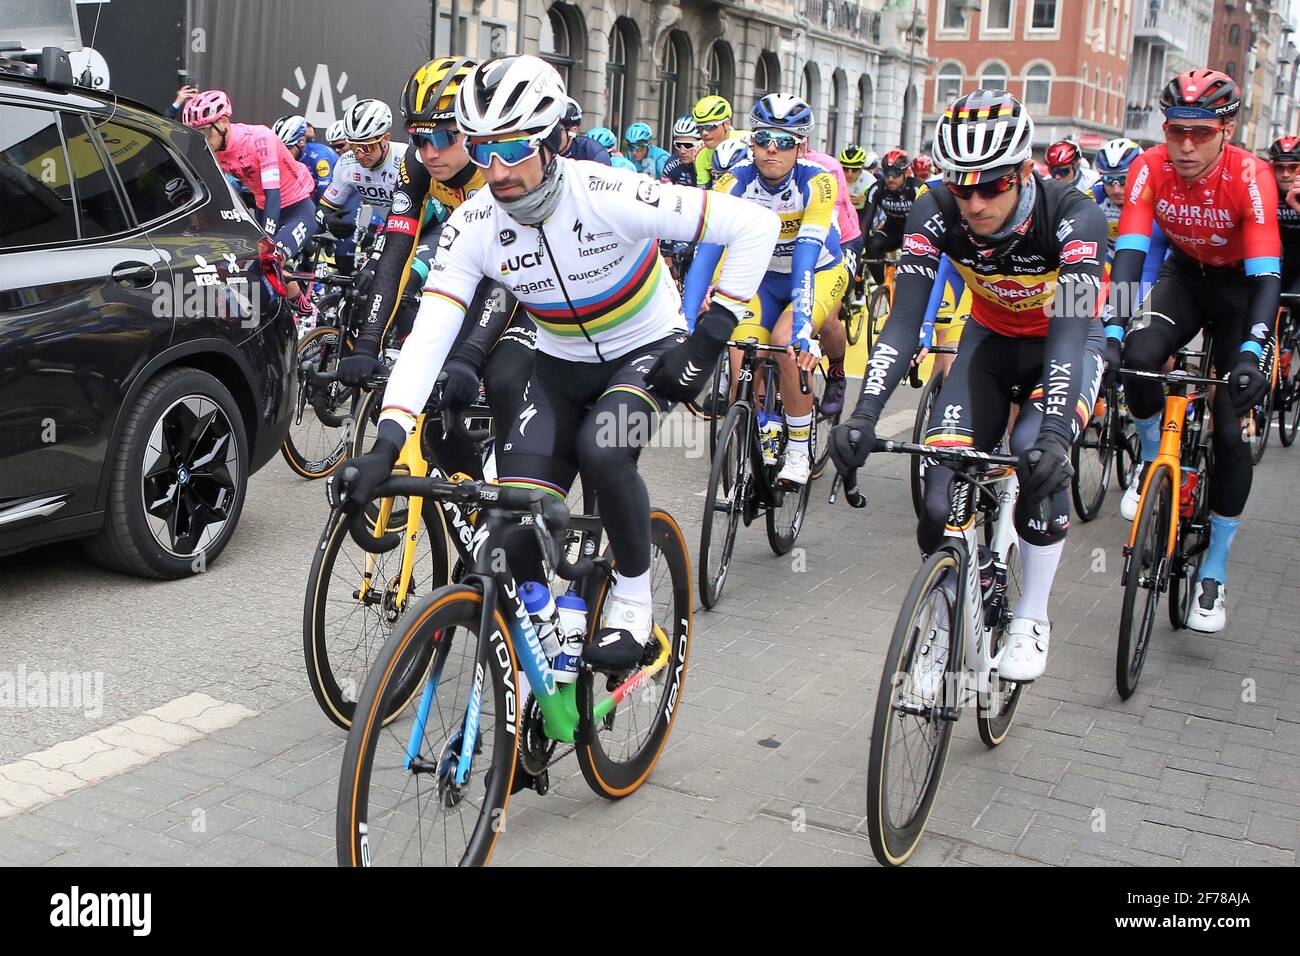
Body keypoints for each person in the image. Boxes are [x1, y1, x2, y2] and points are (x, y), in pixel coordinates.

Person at [342, 55, 779, 672]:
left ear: (549, 141)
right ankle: (548, 618)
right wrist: (387, 443)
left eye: (515, 148)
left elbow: (754, 224)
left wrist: (708, 340)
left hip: (645, 351)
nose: (497, 171)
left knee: (603, 450)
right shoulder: (475, 225)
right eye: (485, 149)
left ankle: (632, 596)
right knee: (509, 512)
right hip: (559, 362)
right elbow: (429, 335)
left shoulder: (609, 193)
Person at [830, 89, 1109, 683]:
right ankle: (949, 610)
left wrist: (1058, 434)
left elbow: (1069, 331)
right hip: (990, 341)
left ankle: (1033, 617)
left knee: (1039, 462)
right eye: (962, 187)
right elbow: (903, 322)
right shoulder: (933, 208)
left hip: (1067, 343)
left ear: (1024, 171)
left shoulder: (1076, 214)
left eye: (992, 187)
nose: (975, 203)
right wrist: (864, 414)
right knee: (937, 500)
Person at [1108, 69, 1279, 633]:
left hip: (1239, 293)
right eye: (1176, 131)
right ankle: (1157, 462)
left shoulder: (1252, 176)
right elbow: (1130, 258)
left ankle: (1215, 570)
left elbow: (1265, 279)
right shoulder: (1149, 167)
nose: (1185, 146)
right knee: (1136, 356)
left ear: (1225, 130)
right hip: (1184, 277)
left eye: (1200, 134)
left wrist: (1253, 352)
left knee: (1232, 431)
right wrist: (1110, 327)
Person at [335, 56, 531, 481]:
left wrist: (470, 354)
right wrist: (369, 342)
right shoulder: (417, 167)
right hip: (471, 270)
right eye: (419, 139)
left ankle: (524, 494)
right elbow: (396, 254)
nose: (430, 152)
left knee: (505, 379)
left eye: (444, 136)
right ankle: (474, 508)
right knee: (432, 405)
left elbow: (511, 273)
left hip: (530, 284)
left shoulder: (501, 167)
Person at [683, 93, 849, 487]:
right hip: (762, 278)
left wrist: (803, 324)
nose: (772, 148)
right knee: (742, 351)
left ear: (801, 146)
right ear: (751, 141)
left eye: (785, 140)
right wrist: (686, 326)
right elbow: (706, 252)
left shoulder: (818, 183)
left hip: (817, 272)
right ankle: (760, 429)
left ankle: (797, 449)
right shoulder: (733, 182)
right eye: (763, 139)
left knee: (787, 343)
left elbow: (806, 255)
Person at [181, 89, 319, 327]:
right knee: (253, 267)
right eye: (196, 133)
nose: (201, 138)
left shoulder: (258, 138)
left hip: (296, 206)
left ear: (223, 122)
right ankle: (301, 309)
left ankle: (299, 318)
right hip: (264, 206)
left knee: (267, 262)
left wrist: (266, 243)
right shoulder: (213, 147)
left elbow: (273, 194)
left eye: (204, 131)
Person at [861, 148, 918, 284]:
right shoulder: (878, 188)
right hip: (892, 230)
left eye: (896, 174)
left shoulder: (916, 188)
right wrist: (858, 248)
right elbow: (866, 222)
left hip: (914, 232)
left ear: (905, 173)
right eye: (887, 174)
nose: (890, 179)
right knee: (872, 245)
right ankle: (884, 288)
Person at [274, 113, 338, 202]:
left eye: (287, 148)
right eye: (279, 149)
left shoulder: (319, 156)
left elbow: (324, 188)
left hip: (340, 192)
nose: (283, 153)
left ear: (301, 142)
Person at [691, 95, 747, 186]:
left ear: (727, 124)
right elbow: (704, 193)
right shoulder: (700, 154)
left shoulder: (748, 142)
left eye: (710, 126)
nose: (704, 132)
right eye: (700, 128)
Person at [1268, 136, 1300, 294]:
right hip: (1281, 257)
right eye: (1279, 168)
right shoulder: (1266, 188)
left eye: (1293, 167)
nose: (1285, 174)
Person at [558, 98, 613, 165]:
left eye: (557, 130)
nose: (549, 136)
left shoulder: (593, 152)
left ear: (572, 131)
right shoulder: (545, 147)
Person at [660, 116, 702, 187]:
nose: (682, 151)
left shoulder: (712, 163)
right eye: (678, 145)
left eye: (688, 145)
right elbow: (664, 192)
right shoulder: (671, 163)